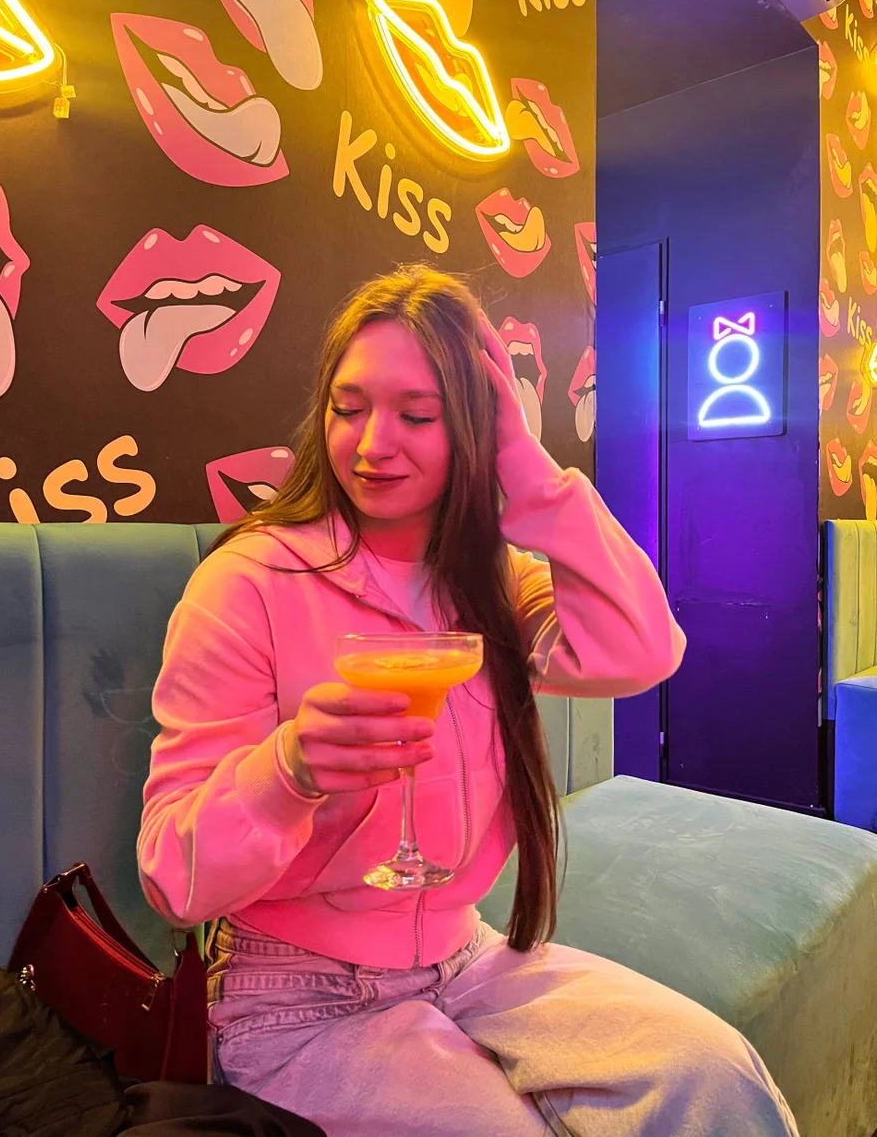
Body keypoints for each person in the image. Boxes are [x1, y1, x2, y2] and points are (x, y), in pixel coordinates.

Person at [138, 266, 798, 1137]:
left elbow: (644, 649)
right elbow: (170, 873)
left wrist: (534, 478)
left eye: (418, 415)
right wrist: (287, 770)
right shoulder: (248, 582)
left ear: (476, 426)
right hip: (293, 993)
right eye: (347, 407)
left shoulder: (496, 583)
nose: (373, 444)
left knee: (715, 1078)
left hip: (468, 953)